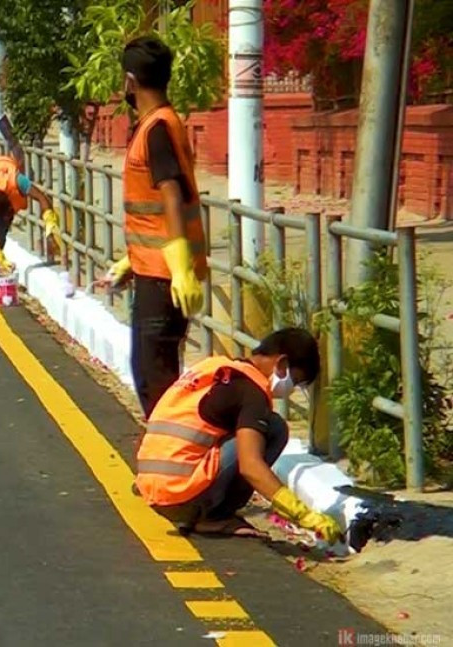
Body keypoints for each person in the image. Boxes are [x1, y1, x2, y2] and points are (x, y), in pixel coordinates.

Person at [134, 328, 344, 543]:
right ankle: (214, 515)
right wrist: (303, 514)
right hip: (182, 497)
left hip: (154, 492)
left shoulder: (215, 369)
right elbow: (250, 466)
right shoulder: (252, 392)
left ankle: (201, 509)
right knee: (274, 428)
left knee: (247, 430)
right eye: (296, 381)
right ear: (281, 364)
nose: (291, 390)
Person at [91, 36, 207, 419]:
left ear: (129, 81)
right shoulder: (163, 123)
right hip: (155, 270)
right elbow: (155, 210)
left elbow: (172, 195)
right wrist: (129, 262)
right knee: (153, 375)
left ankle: (174, 469)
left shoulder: (156, 128)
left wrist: (179, 269)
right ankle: (171, 465)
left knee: (155, 383)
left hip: (163, 278)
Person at [0, 154, 59, 283]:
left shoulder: (17, 181)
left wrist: (49, 230)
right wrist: (2, 259)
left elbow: (42, 198)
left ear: (10, 205)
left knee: (2, 229)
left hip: (5, 165)